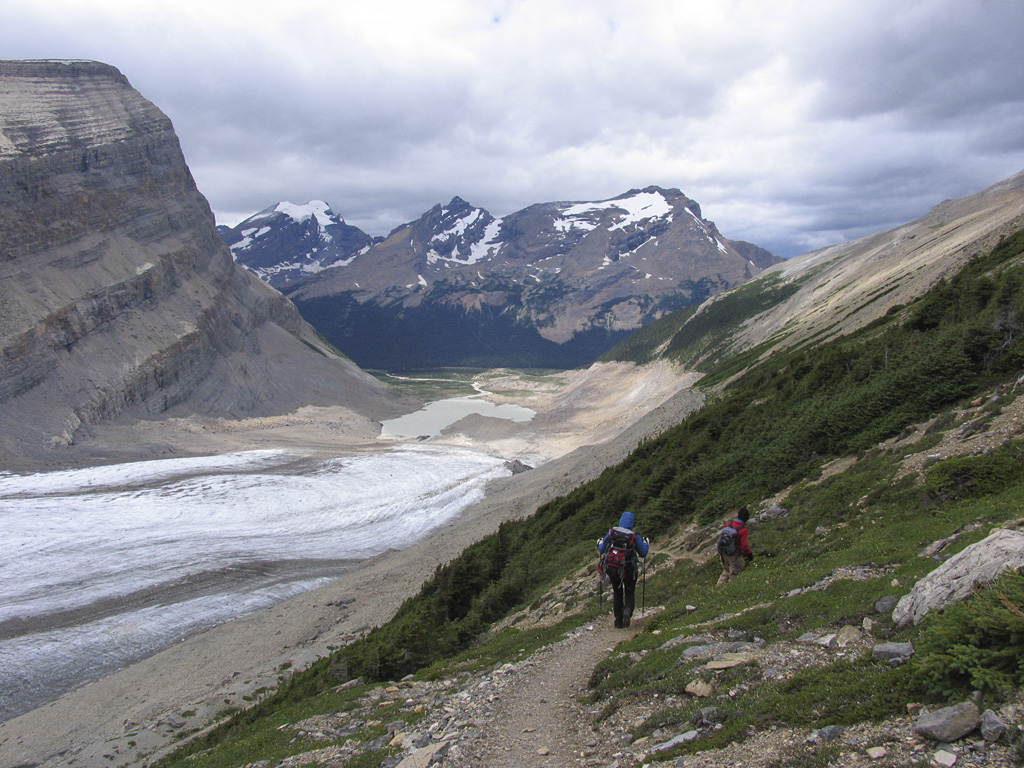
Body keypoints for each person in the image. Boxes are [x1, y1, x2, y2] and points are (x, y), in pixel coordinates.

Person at [597, 511, 649, 628]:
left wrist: (599, 542)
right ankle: (627, 611)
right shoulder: (634, 536)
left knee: (617, 592)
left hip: (613, 568)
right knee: (629, 591)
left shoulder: (612, 532)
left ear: (621, 521)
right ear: (632, 523)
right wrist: (646, 543)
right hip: (629, 568)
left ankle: (618, 621)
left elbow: (602, 549)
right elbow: (643, 553)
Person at [716, 507, 753, 585]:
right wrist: (749, 554)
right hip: (734, 555)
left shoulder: (728, 524)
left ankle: (718, 587)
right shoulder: (743, 530)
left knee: (726, 571)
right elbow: (744, 546)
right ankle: (730, 589)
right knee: (733, 573)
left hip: (723, 553)